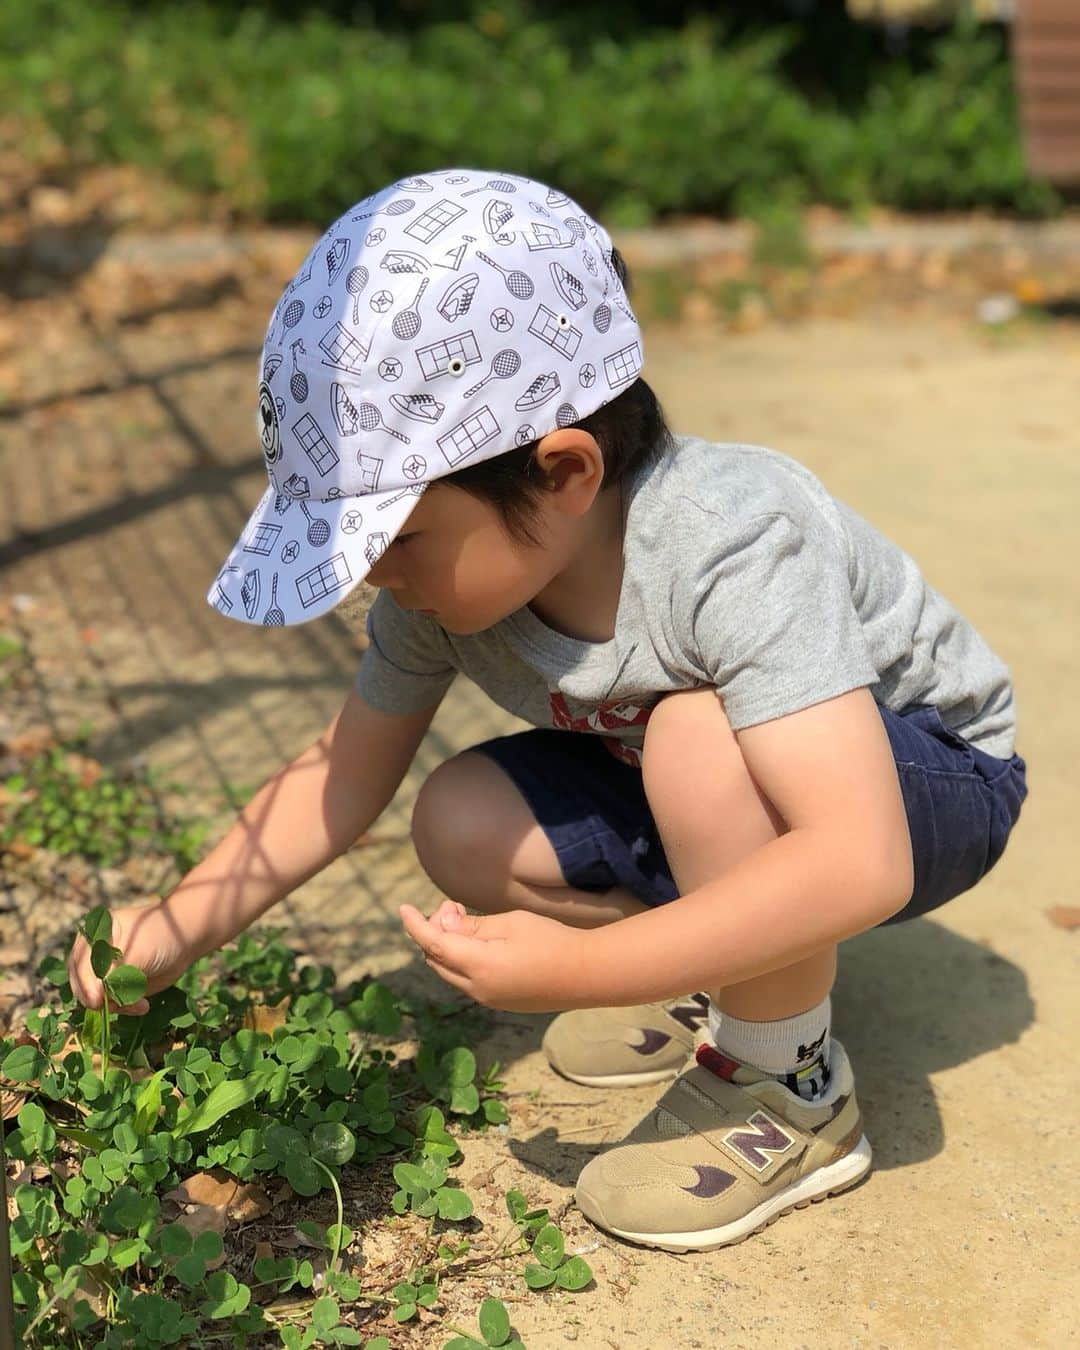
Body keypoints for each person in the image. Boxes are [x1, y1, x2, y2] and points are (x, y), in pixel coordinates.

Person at [68, 167, 1028, 1253]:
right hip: (703, 783)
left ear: (563, 470)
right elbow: (344, 774)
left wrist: (583, 969)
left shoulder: (729, 541)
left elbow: (862, 860)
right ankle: (715, 972)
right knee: (461, 817)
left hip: (923, 781)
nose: (376, 581)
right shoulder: (450, 585)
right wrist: (177, 925)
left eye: (398, 542)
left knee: (697, 733)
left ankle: (791, 1084)